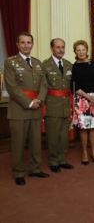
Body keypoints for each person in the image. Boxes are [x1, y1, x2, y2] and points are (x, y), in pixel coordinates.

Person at [4, 32, 49, 185]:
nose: (26, 45)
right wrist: (29, 103)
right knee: (18, 143)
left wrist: (40, 100)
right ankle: (18, 172)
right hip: (19, 109)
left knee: (36, 142)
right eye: (23, 42)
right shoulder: (10, 63)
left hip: (37, 107)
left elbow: (44, 84)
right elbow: (12, 87)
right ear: (17, 44)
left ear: (32, 44)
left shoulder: (37, 63)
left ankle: (35, 168)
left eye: (29, 42)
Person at [43, 38, 74, 172]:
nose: (61, 50)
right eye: (58, 47)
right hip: (52, 105)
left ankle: (62, 159)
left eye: (62, 47)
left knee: (63, 134)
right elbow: (42, 86)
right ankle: (53, 160)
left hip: (65, 105)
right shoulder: (45, 65)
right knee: (53, 135)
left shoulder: (69, 65)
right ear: (52, 48)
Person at [71, 40, 94, 165]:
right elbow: (73, 86)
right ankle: (84, 152)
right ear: (75, 52)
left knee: (93, 127)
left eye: (83, 49)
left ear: (87, 50)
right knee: (83, 127)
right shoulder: (74, 67)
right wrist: (87, 97)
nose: (81, 52)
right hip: (81, 100)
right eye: (78, 50)